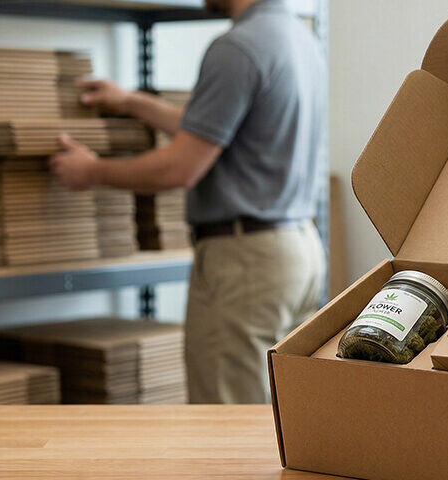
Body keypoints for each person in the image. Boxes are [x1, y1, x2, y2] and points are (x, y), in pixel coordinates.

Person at [50, 0, 326, 404]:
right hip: (297, 249)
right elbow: (213, 129)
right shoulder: (299, 38)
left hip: (246, 263)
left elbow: (180, 168)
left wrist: (92, 172)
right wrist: (132, 103)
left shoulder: (237, 47)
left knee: (227, 417)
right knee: (280, 412)